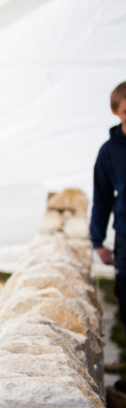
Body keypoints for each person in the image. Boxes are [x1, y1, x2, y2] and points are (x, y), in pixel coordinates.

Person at [91, 82, 126, 328]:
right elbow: (102, 196)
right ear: (116, 112)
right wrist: (97, 241)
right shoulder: (108, 151)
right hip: (125, 234)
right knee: (124, 295)